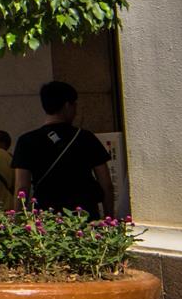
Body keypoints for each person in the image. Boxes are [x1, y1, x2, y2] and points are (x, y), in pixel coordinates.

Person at [13, 81, 114, 218]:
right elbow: (106, 184)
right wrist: (110, 218)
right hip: (84, 214)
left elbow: (21, 187)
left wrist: (18, 221)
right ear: (67, 105)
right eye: (75, 105)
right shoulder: (86, 138)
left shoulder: (26, 141)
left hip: (47, 217)